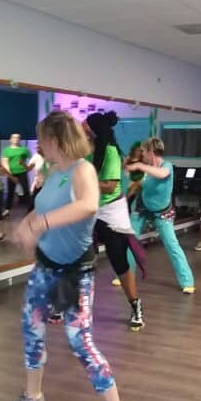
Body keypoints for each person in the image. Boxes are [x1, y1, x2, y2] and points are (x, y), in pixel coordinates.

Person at [0, 110, 134, 401]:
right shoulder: (51, 170)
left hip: (76, 273)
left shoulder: (83, 170)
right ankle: (33, 398)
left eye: (42, 138)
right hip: (44, 268)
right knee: (31, 333)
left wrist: (41, 223)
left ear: (56, 140)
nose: (38, 145)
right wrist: (26, 225)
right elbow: (41, 206)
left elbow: (88, 206)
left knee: (80, 342)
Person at [82, 111, 145, 331]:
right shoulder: (86, 152)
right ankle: (78, 308)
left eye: (85, 127)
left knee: (118, 261)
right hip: (91, 209)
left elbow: (108, 185)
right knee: (81, 260)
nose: (82, 130)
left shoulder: (110, 152)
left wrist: (83, 180)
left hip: (111, 212)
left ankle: (135, 304)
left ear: (93, 131)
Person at [125, 137, 196, 294]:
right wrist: (131, 175)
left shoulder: (167, 166)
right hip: (143, 208)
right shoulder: (145, 169)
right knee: (129, 241)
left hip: (162, 212)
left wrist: (139, 166)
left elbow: (161, 174)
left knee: (172, 245)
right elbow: (134, 183)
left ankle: (187, 281)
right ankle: (125, 276)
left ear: (151, 151)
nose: (142, 154)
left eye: (143, 151)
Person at [2, 133, 31, 215]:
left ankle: (30, 209)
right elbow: (5, 163)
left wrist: (28, 167)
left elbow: (32, 159)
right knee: (10, 192)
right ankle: (7, 209)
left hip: (22, 172)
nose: (16, 139)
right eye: (14, 137)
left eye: (18, 137)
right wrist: (10, 175)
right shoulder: (6, 150)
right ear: (10, 139)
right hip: (11, 173)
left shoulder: (24, 149)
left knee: (26, 191)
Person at [124, 141, 144, 209]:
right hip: (132, 181)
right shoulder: (129, 157)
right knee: (127, 202)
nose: (138, 152)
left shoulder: (143, 159)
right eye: (137, 150)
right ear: (134, 149)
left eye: (140, 150)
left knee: (139, 200)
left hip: (141, 181)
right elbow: (124, 166)